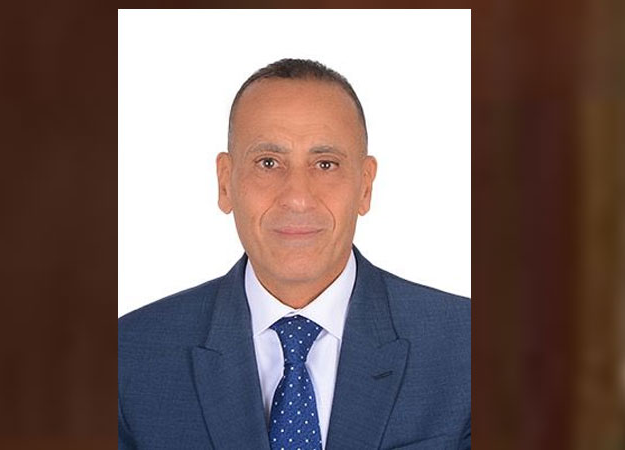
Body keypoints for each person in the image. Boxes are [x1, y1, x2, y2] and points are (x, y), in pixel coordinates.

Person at [119, 58, 470, 450]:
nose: (298, 198)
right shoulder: (128, 357)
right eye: (268, 163)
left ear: (365, 186)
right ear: (225, 182)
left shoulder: (470, 349)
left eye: (326, 164)